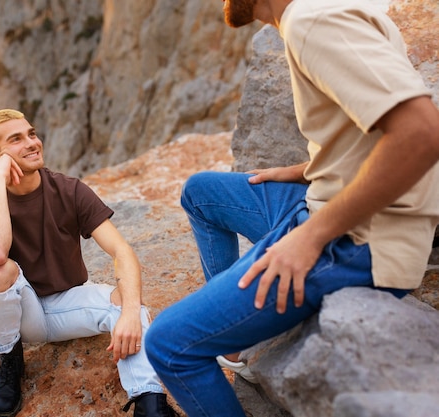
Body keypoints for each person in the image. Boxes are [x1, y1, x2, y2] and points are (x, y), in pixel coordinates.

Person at [144, 0, 439, 416]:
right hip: (319, 200)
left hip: (357, 239)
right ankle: (237, 336)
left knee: (169, 345)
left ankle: (229, 320)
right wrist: (307, 170)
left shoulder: (312, 20)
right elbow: (367, 135)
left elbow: (421, 134)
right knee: (201, 192)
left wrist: (309, 237)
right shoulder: (313, 14)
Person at [0, 109, 178, 417]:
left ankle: (149, 403)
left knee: (130, 305)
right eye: (16, 139)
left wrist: (129, 313)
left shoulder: (69, 189)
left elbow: (121, 252)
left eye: (32, 134)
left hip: (69, 302)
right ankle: (11, 360)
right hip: (21, 314)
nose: (32, 143)